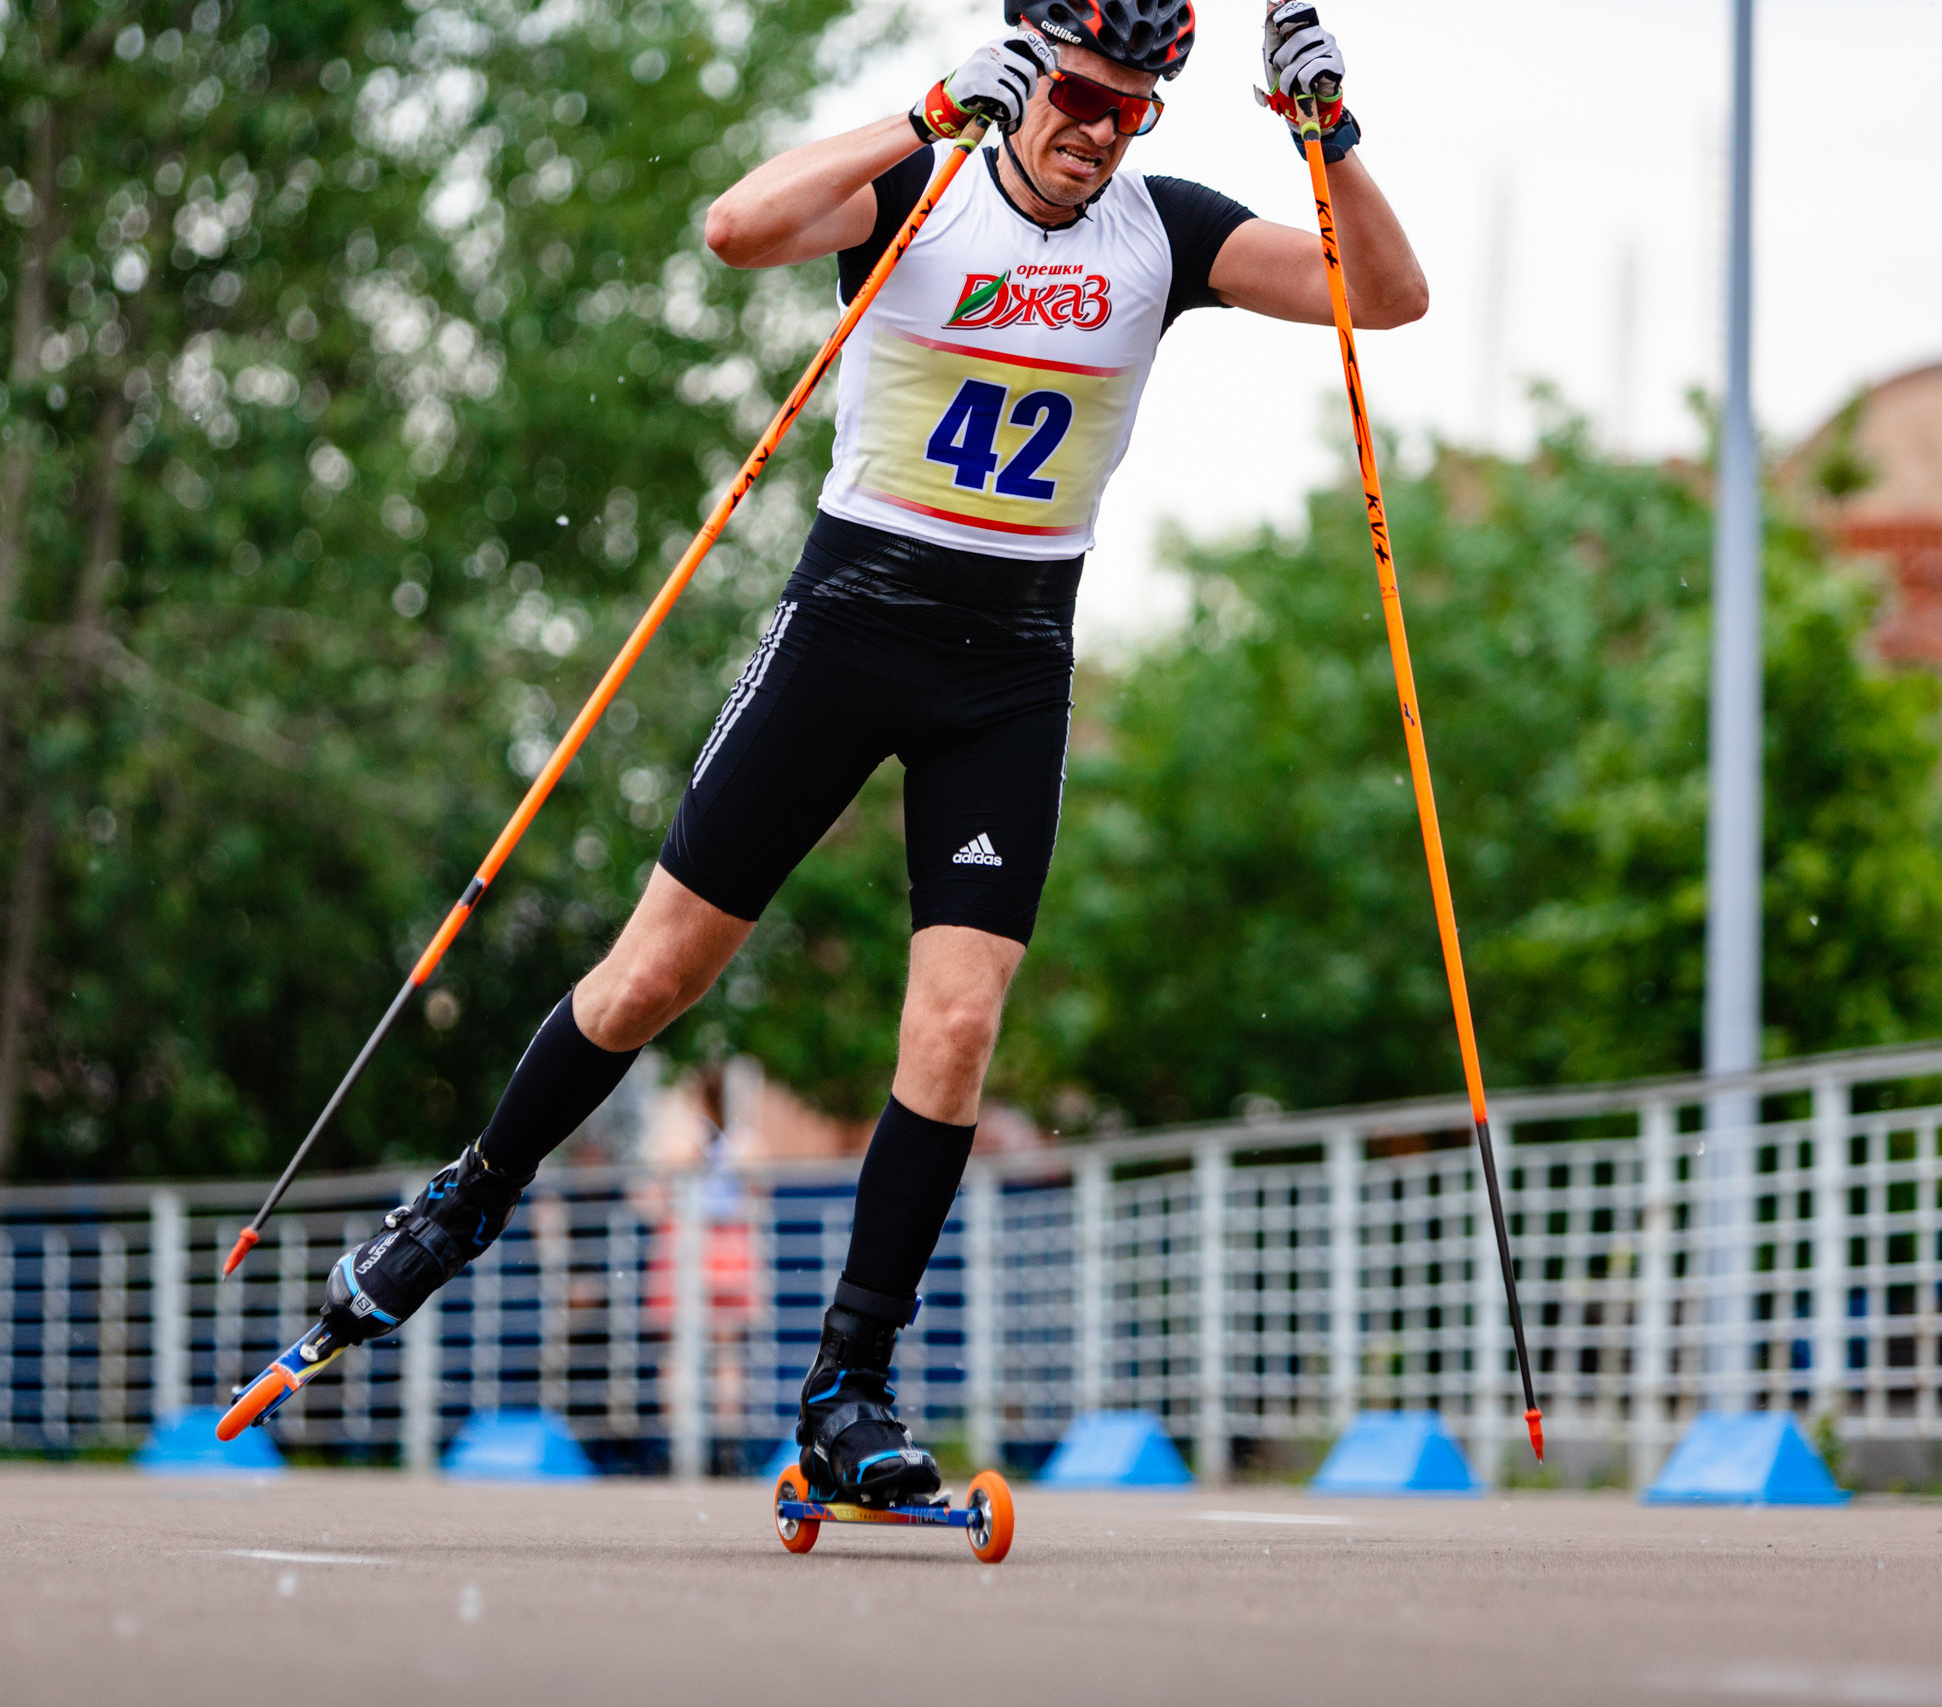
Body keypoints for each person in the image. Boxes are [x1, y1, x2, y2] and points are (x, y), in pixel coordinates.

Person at [296, 0, 1425, 1505]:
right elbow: (734, 228)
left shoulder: (1167, 234)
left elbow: (1387, 296)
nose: (1101, 130)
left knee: (956, 1029)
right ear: (1029, 68)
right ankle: (468, 1199)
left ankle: (850, 1385)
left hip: (1011, 670)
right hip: (845, 630)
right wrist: (923, 113)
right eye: (1082, 93)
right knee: (655, 976)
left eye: (1135, 106)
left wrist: (1326, 134)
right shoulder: (928, 183)